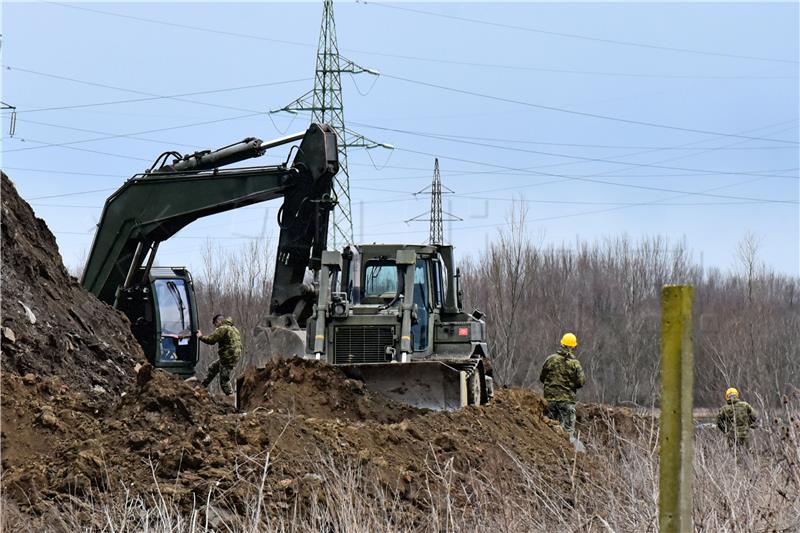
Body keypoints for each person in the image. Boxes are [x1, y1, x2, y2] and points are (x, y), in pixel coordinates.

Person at [540, 332, 586, 440]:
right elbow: (581, 382)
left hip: (549, 400)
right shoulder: (575, 364)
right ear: (573, 347)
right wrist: (570, 385)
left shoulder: (550, 359)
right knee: (568, 433)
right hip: (567, 402)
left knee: (548, 430)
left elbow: (542, 378)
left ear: (562, 344)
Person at [198, 314, 242, 395]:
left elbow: (211, 340)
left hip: (228, 357)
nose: (216, 327)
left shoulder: (223, 328)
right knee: (213, 368)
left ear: (218, 321)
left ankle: (231, 397)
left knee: (224, 380)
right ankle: (202, 387)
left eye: (215, 324)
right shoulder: (234, 329)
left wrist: (200, 336)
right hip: (232, 356)